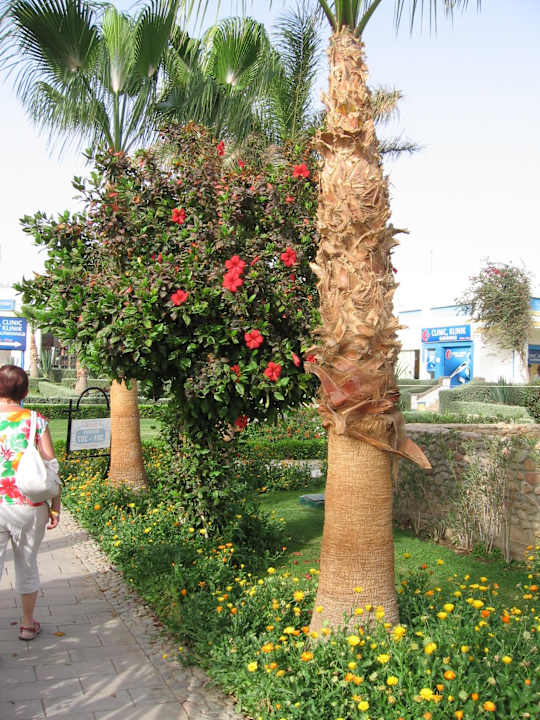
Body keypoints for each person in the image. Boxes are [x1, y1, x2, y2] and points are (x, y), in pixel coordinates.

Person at [0, 364, 61, 641]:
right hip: (29, 507)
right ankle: (26, 625)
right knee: (26, 563)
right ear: (25, 392)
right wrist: (56, 505)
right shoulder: (36, 420)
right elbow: (51, 466)